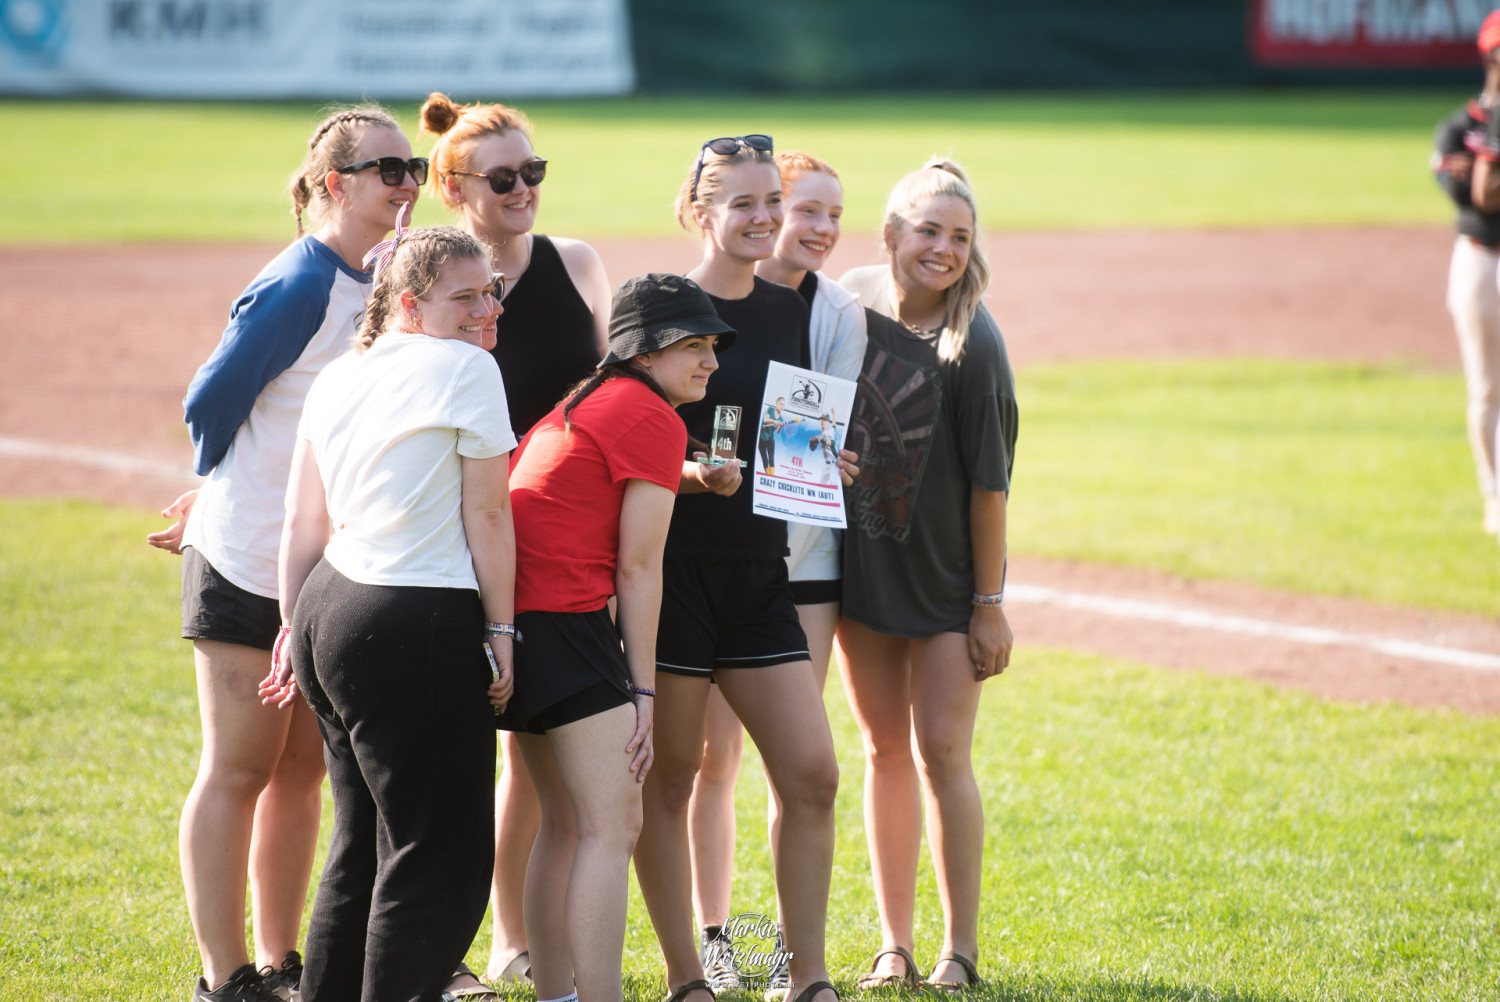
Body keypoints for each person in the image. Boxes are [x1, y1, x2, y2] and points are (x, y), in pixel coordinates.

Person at [147, 105, 422, 1002]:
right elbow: (208, 401)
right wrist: (225, 488)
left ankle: (278, 961)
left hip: (318, 571)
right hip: (244, 560)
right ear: (334, 184)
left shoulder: (383, 274)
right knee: (238, 767)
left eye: (412, 165)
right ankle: (224, 976)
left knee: (302, 769)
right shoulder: (302, 280)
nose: (407, 182)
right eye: (387, 168)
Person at [264, 224, 516, 1002]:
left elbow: (304, 521)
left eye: (491, 291)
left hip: (330, 609)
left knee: (363, 844)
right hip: (414, 616)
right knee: (437, 850)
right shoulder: (468, 368)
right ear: (408, 304)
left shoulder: (342, 373)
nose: (484, 310)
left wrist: (291, 626)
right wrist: (503, 633)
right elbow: (490, 517)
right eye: (463, 296)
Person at [633, 133, 854, 1002]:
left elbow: (788, 434)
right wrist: (688, 474)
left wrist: (819, 460)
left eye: (773, 202)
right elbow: (618, 431)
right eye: (743, 204)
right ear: (699, 212)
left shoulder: (798, 309)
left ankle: (808, 979)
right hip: (673, 578)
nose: (765, 219)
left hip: (763, 574)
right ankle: (687, 975)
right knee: (673, 777)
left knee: (813, 773)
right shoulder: (657, 306)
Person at [493, 273, 735, 1002]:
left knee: (563, 826)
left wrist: (695, 478)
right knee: (611, 825)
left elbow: (594, 482)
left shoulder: (588, 399)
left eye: (713, 345)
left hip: (518, 627)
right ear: (644, 351)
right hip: (568, 628)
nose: (710, 362)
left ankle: (558, 995)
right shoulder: (653, 417)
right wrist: (644, 689)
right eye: (691, 346)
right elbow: (637, 568)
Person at [420, 91, 613, 991]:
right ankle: (445, 946)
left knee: (536, 756)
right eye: (504, 178)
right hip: (450, 541)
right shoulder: (418, 276)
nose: (525, 188)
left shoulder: (576, 264)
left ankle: (512, 937)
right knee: (449, 755)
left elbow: (611, 401)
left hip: (562, 548)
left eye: (535, 172)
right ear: (453, 185)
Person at [836, 159, 1018, 993]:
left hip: (947, 584)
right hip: (865, 571)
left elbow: (990, 489)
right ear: (891, 233)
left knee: (942, 749)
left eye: (960, 237)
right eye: (928, 231)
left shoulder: (973, 340)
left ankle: (960, 951)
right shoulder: (848, 301)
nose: (942, 249)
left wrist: (988, 605)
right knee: (881, 750)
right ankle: (894, 946)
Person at [1441, 9, 1500, 544]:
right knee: (1485, 387)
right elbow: (1477, 199)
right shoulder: (1460, 127)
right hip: (1479, 259)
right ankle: (1494, 497)